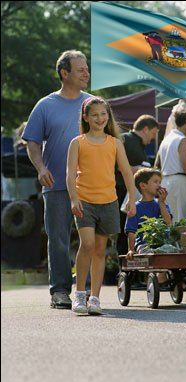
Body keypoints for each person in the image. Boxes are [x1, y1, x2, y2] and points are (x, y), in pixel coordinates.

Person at [22, 50, 91, 309]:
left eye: (87, 68)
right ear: (65, 73)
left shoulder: (93, 104)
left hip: (90, 184)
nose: (86, 72)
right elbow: (32, 141)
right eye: (80, 69)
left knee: (93, 239)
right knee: (59, 240)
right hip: (57, 186)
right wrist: (40, 168)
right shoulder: (45, 105)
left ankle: (88, 291)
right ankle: (60, 292)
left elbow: (110, 140)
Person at [66, 96, 136, 315]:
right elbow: (69, 174)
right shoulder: (77, 142)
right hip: (84, 201)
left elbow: (126, 172)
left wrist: (132, 199)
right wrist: (73, 198)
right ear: (86, 117)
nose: (99, 118)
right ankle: (79, 294)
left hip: (108, 202)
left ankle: (95, 298)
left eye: (103, 114)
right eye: (94, 115)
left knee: (99, 250)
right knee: (86, 244)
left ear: (108, 116)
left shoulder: (115, 143)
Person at [115, 115, 160, 255]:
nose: (152, 139)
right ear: (145, 129)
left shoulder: (137, 144)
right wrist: (138, 169)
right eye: (153, 133)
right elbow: (116, 165)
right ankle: (124, 270)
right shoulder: (125, 139)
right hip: (122, 193)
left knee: (132, 232)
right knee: (125, 232)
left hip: (132, 195)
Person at [125, 168, 172, 285]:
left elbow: (168, 222)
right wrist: (131, 249)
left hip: (163, 242)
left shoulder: (161, 204)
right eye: (155, 182)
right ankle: (159, 276)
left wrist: (161, 202)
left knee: (173, 250)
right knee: (149, 252)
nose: (159, 185)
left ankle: (163, 276)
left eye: (160, 182)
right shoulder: (136, 207)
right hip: (143, 244)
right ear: (143, 185)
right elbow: (131, 231)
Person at [156, 109, 186, 222]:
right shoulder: (183, 140)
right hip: (181, 185)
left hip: (166, 182)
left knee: (170, 221)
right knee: (182, 220)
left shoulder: (165, 140)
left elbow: (157, 165)